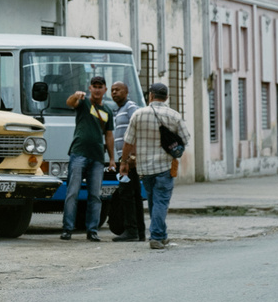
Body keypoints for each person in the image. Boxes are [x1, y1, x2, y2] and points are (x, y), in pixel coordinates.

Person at [119, 82, 191, 249]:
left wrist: (124, 162)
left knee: (154, 201)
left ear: (150, 96)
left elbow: (128, 142)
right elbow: (186, 139)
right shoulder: (174, 115)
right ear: (166, 97)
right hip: (165, 166)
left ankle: (162, 234)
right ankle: (157, 236)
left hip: (144, 168)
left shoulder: (138, 114)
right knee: (161, 202)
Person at [61, 75, 116, 242]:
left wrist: (112, 158)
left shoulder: (107, 111)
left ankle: (92, 230)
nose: (97, 89)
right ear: (90, 88)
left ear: (104, 90)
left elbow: (109, 135)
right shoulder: (84, 103)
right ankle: (67, 229)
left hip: (98, 157)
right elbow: (70, 103)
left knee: (95, 195)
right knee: (72, 192)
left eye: (100, 86)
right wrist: (75, 95)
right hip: (79, 153)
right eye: (94, 86)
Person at [110, 81, 145, 242]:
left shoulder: (131, 107)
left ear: (126, 91)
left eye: (118, 90)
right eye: (112, 90)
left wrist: (132, 156)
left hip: (129, 161)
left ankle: (131, 230)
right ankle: (139, 231)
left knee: (127, 194)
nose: (114, 92)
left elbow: (138, 129)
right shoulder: (118, 111)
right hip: (122, 160)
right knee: (134, 194)